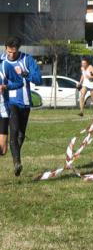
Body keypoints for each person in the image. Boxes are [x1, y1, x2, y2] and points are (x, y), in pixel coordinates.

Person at [1, 36, 42, 176]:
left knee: (21, 135)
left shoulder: (27, 60)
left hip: (24, 102)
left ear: (18, 49)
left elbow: (39, 79)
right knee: (14, 131)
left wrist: (26, 74)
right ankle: (17, 163)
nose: (11, 55)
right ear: (5, 48)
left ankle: (15, 157)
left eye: (14, 52)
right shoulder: (1, 60)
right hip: (9, 103)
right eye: (9, 52)